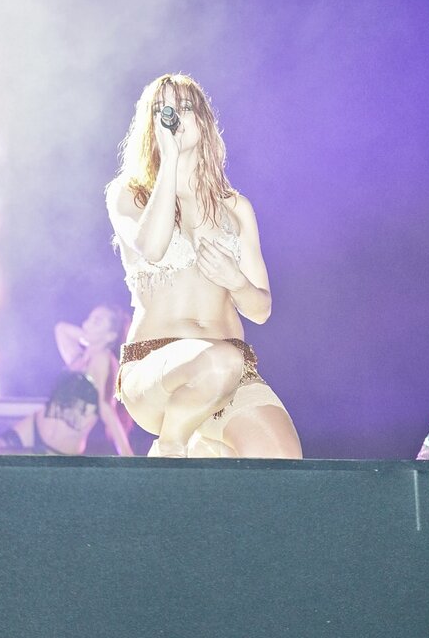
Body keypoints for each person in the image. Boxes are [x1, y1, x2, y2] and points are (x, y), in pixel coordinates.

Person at [106, 73, 302, 459]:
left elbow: (260, 309)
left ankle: (204, 444)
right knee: (219, 364)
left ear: (203, 120)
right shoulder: (130, 194)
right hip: (156, 369)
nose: (175, 117)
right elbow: (154, 248)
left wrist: (236, 281)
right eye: (164, 110)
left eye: (185, 107)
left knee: (282, 465)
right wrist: (170, 161)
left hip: (231, 369)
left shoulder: (236, 207)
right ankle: (171, 446)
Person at [53, 304, 134, 456]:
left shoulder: (103, 358)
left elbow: (106, 407)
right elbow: (61, 329)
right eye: (89, 318)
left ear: (110, 336)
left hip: (70, 444)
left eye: (97, 321)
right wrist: (87, 338)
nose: (86, 323)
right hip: (52, 438)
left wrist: (126, 453)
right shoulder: (80, 358)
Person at [0, 370, 101, 455]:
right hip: (40, 446)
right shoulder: (40, 416)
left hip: (61, 463)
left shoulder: (92, 413)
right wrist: (38, 454)